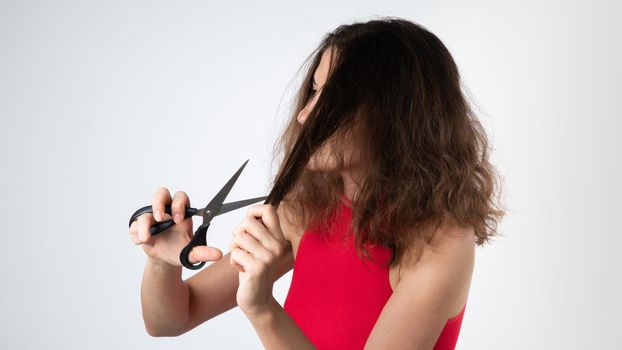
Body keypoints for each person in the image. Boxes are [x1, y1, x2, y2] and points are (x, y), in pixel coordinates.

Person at [129, 16, 506, 349]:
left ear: (394, 112)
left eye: (333, 97)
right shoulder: (305, 211)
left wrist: (262, 308)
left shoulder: (441, 243)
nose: (305, 115)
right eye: (313, 91)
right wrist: (165, 261)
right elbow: (171, 320)